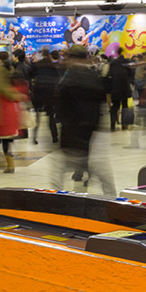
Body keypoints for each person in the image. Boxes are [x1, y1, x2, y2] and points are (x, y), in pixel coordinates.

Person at [51, 45, 115, 193]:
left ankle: (57, 203)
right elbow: (101, 104)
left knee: (59, 171)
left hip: (72, 133)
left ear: (71, 57)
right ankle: (112, 199)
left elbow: (62, 109)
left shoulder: (68, 80)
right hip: (91, 131)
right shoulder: (94, 77)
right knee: (100, 171)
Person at [30, 48, 60, 144]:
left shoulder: (38, 65)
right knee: (51, 115)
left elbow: (31, 74)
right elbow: (57, 78)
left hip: (39, 91)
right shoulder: (52, 66)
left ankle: (34, 137)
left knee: (37, 116)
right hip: (50, 92)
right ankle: (54, 137)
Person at [106, 47, 134, 133]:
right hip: (125, 87)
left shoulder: (113, 63)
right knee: (125, 105)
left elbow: (109, 75)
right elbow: (131, 75)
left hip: (115, 87)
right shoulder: (127, 62)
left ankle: (112, 124)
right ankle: (124, 124)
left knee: (115, 106)